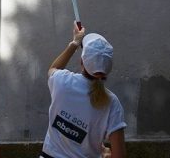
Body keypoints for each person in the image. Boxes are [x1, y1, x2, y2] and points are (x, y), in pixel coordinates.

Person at [41, 23, 126, 158]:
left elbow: (53, 69)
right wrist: (106, 154)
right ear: (108, 70)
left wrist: (75, 43)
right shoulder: (112, 104)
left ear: (82, 63)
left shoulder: (62, 82)